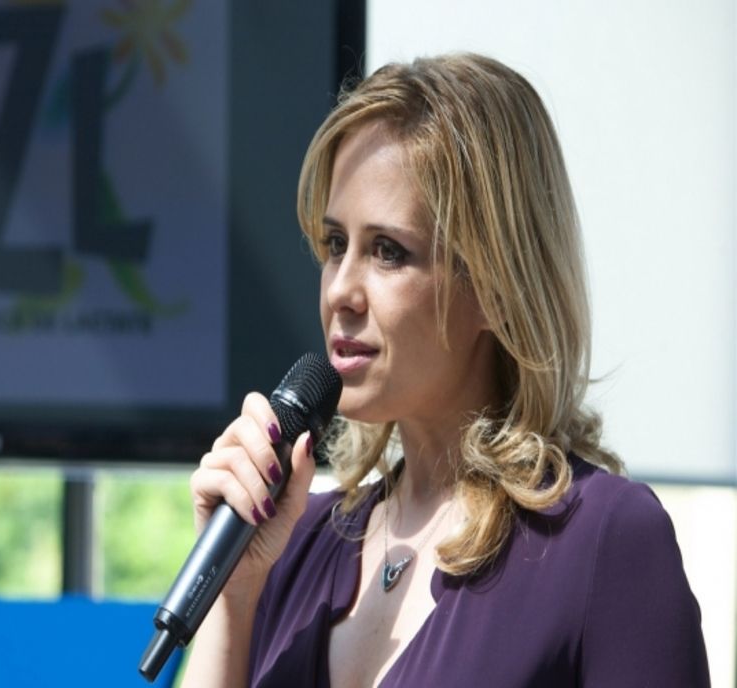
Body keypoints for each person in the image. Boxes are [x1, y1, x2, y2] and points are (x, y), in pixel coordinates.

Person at [180, 54, 710, 687]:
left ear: (495, 286)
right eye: (335, 245)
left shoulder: (603, 540)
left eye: (388, 252)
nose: (340, 290)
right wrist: (234, 595)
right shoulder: (292, 543)